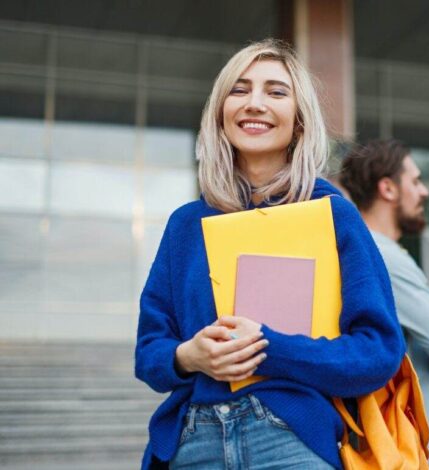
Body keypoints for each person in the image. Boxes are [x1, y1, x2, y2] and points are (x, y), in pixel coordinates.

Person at [134, 40, 405, 470]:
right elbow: (149, 351)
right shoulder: (186, 225)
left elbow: (378, 352)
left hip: (290, 437)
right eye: (239, 90)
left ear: (299, 122)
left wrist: (268, 348)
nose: (255, 104)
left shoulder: (332, 214)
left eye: (276, 92)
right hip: (193, 442)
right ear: (221, 113)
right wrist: (188, 355)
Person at [340, 139, 429, 470]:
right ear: (388, 188)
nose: (424, 192)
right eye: (416, 181)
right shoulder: (383, 256)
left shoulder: (371, 251)